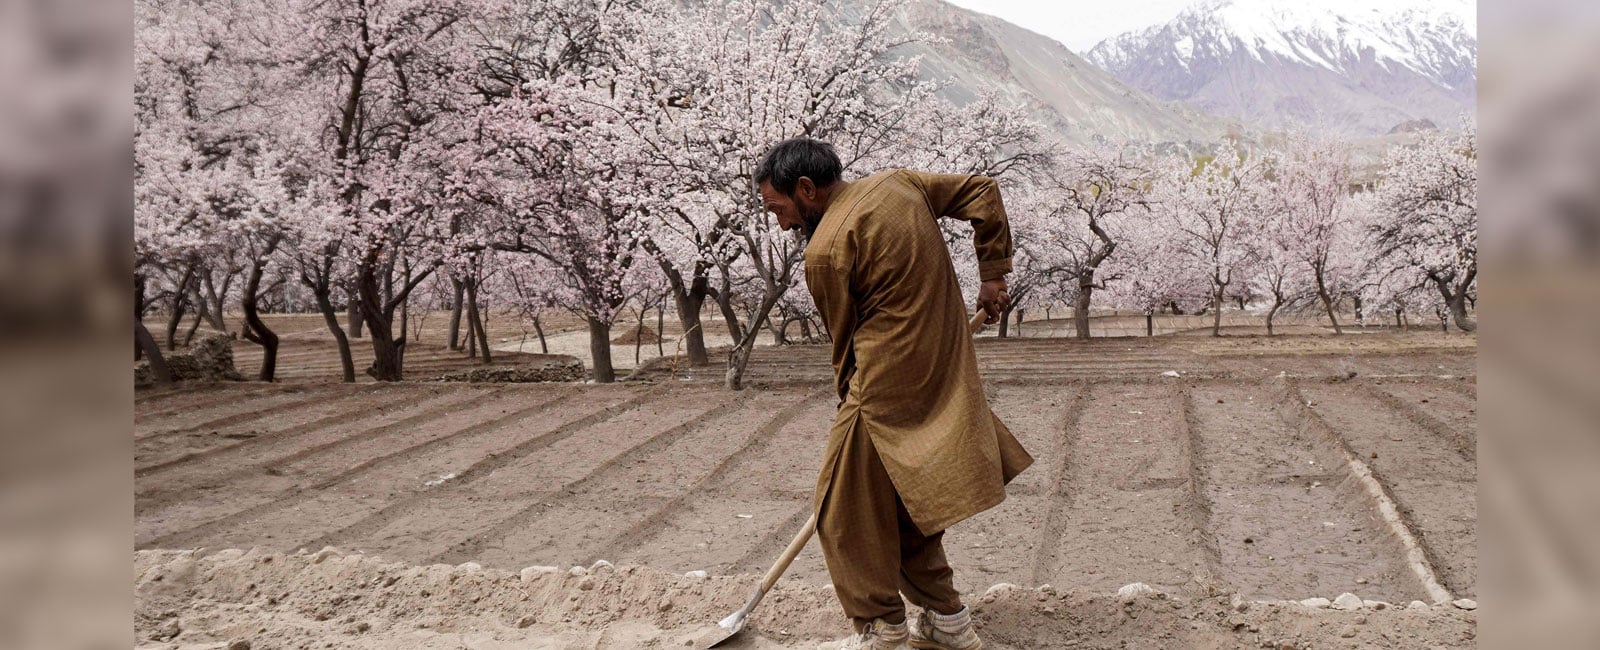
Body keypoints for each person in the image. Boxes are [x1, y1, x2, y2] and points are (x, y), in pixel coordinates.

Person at [755, 137, 1034, 650]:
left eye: (780, 210)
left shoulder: (824, 251)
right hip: (943, 371)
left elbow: (845, 345)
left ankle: (881, 625)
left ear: (806, 189)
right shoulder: (901, 183)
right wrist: (993, 274)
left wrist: (851, 409)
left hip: (881, 389)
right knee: (911, 500)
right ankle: (946, 620)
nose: (784, 225)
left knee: (840, 513)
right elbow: (983, 191)